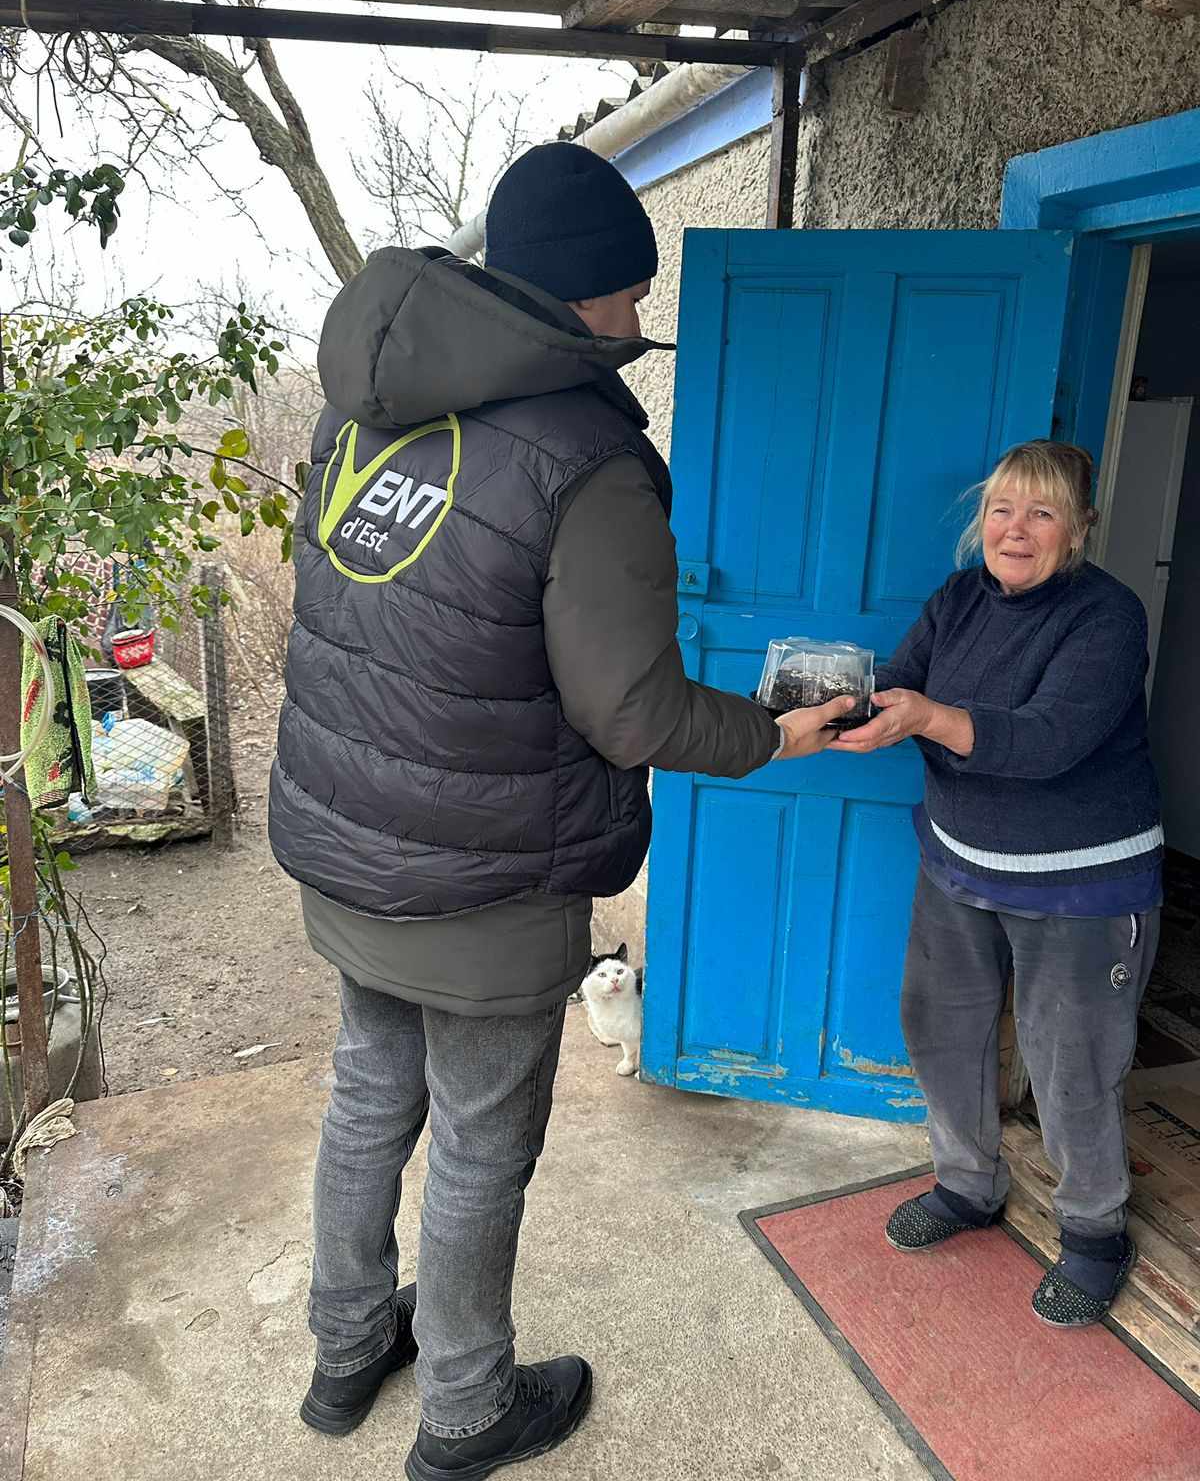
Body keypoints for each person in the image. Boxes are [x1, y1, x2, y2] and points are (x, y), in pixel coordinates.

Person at [267, 141, 851, 1479]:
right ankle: (468, 1406)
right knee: (479, 1138)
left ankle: (349, 1344)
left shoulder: (361, 411)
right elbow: (632, 714)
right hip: (486, 884)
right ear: (585, 295)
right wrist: (776, 730)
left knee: (368, 1100)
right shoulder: (583, 457)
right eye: (634, 295)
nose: (641, 323)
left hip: (350, 855)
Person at [832, 440, 1162, 1328]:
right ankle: (968, 1186)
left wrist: (929, 718)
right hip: (958, 865)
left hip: (1083, 886)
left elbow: (1048, 740)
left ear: (1080, 529)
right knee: (940, 1033)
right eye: (1004, 509)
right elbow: (903, 679)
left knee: (1073, 1068)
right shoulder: (960, 598)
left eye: (1043, 512)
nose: (1017, 530)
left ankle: (1094, 1235)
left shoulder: (1107, 617)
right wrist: (840, 705)